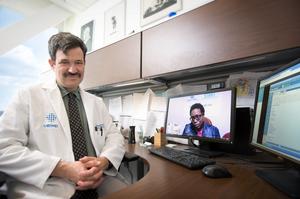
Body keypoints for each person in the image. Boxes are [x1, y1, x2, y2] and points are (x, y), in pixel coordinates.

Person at [0, 32, 125, 198]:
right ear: (52, 64)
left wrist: (103, 162)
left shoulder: (96, 102)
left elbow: (114, 136)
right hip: (49, 188)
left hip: (98, 182)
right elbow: (4, 149)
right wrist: (64, 169)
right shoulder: (28, 96)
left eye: (78, 63)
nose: (73, 70)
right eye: (65, 62)